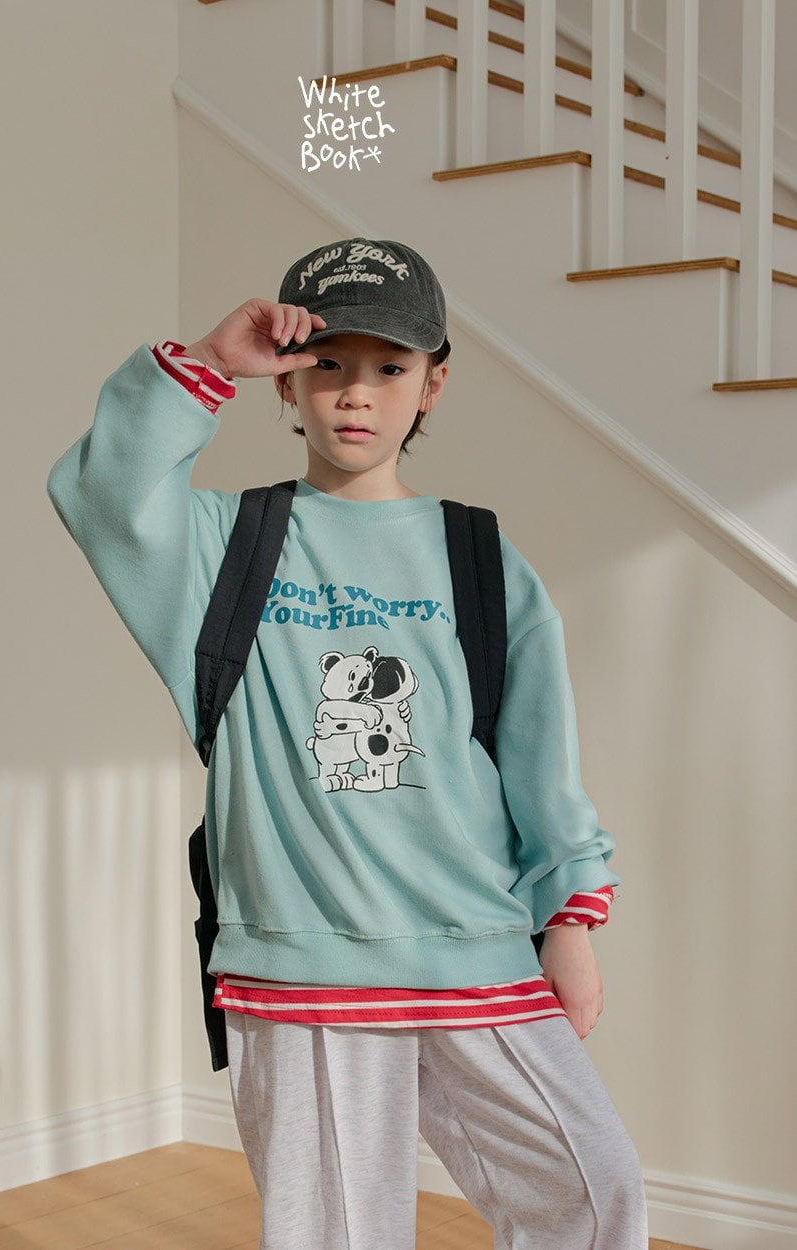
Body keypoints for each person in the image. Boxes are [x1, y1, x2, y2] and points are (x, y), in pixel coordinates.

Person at [46, 237, 649, 1248]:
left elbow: (538, 752)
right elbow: (103, 494)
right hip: (302, 956)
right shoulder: (226, 546)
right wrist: (212, 360)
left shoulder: (479, 554)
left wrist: (570, 918)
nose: (356, 393)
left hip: (474, 940)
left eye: (389, 367)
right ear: (289, 381)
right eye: (327, 363)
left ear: (432, 385)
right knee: (335, 1232)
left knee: (594, 1189)